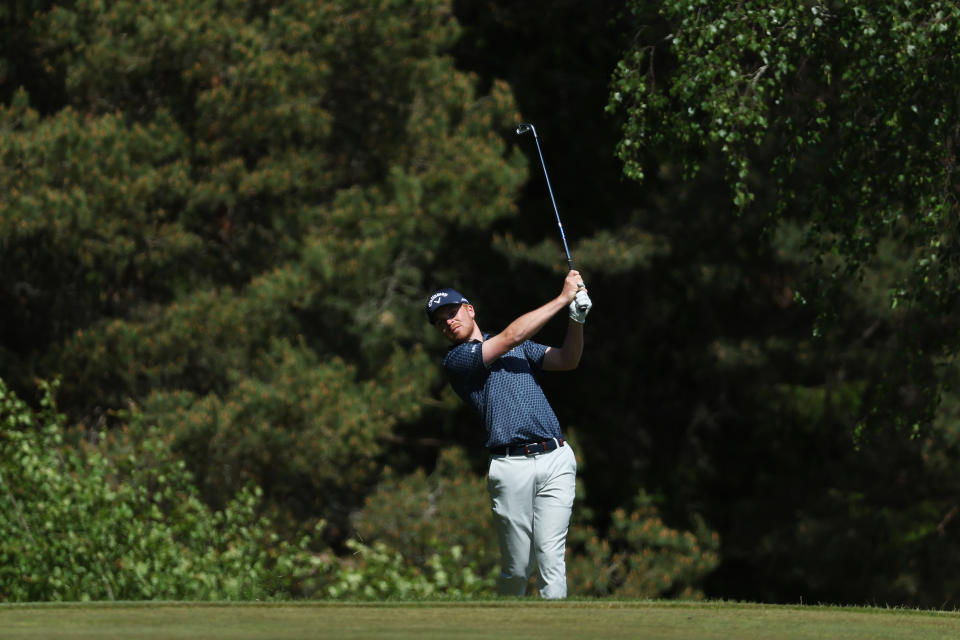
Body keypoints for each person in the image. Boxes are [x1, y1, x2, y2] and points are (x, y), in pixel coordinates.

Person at [425, 270, 592, 599]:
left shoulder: (519, 347)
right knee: (517, 568)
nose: (447, 323)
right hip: (510, 465)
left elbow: (566, 360)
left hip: (556, 457)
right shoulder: (458, 360)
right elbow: (511, 338)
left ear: (469, 309)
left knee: (551, 559)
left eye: (452, 313)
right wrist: (562, 298)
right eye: (440, 322)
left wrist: (576, 319)